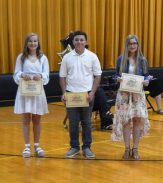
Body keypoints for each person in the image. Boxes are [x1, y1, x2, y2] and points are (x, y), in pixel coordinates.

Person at [59, 31, 102, 159]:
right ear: (73, 42)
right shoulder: (67, 57)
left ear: (86, 42)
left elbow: (98, 75)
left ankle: (87, 147)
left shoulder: (92, 56)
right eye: (76, 40)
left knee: (87, 123)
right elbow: (62, 76)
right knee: (73, 123)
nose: (79, 42)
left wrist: (93, 93)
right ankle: (74, 147)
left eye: (81, 40)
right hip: (71, 94)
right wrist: (64, 93)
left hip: (87, 95)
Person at [111, 34, 150, 160]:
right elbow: (115, 75)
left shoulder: (143, 60)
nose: (132, 46)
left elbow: (146, 76)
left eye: (135, 43)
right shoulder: (120, 59)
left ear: (138, 45)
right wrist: (117, 79)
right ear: (126, 45)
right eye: (130, 44)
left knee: (137, 121)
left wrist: (146, 81)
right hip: (124, 94)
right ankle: (127, 149)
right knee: (126, 121)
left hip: (138, 94)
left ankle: (135, 149)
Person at [13, 33, 49, 158]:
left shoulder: (43, 57)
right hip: (25, 92)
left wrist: (41, 76)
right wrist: (22, 75)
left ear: (38, 43)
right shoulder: (21, 57)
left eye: (35, 41)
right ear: (26, 43)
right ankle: (27, 146)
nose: (33, 43)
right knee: (25, 120)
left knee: (37, 120)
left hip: (38, 92)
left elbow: (46, 74)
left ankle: (37, 146)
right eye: (30, 41)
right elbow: (16, 74)